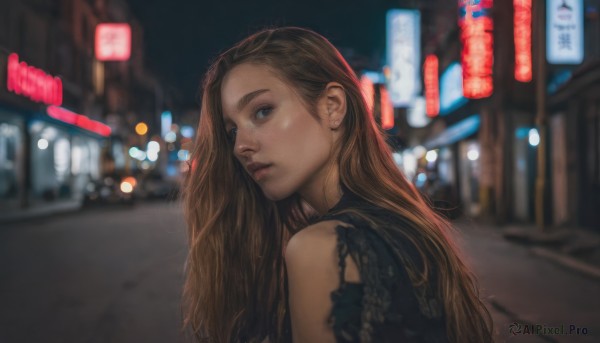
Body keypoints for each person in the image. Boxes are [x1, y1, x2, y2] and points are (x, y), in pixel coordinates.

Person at [181, 27, 493, 343]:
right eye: (232, 131)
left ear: (332, 106)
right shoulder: (406, 226)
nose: (240, 146)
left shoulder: (321, 248)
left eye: (263, 111)